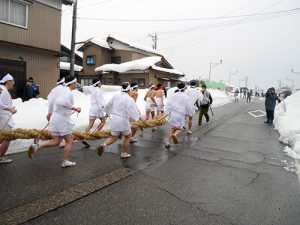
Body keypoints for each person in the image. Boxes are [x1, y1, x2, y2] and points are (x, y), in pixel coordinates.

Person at [28, 75, 81, 168]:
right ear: (71, 83)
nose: (76, 84)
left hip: (56, 118)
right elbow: (61, 102)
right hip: (61, 120)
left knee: (56, 141)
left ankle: (37, 146)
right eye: (75, 82)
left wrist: (50, 112)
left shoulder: (61, 90)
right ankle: (65, 161)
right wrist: (74, 108)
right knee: (69, 141)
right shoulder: (67, 92)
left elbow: (53, 101)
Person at [97, 82, 144, 159]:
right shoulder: (129, 99)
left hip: (115, 119)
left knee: (113, 137)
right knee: (128, 136)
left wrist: (107, 113)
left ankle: (104, 144)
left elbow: (108, 105)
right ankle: (124, 153)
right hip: (123, 120)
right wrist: (139, 118)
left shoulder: (116, 96)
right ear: (129, 90)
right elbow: (133, 111)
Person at [165, 82, 193, 148]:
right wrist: (190, 114)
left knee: (172, 128)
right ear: (184, 89)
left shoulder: (174, 95)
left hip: (173, 113)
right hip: (180, 114)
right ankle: (175, 135)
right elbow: (188, 107)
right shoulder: (186, 97)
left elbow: (168, 103)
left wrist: (168, 111)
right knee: (180, 128)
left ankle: (168, 142)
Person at [0, 74, 17, 164]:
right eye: (12, 81)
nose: (14, 83)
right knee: (7, 138)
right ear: (8, 81)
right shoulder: (2, 89)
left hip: (3, 117)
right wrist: (10, 109)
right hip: (4, 117)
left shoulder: (2, 88)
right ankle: (1, 157)